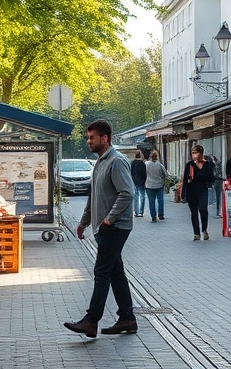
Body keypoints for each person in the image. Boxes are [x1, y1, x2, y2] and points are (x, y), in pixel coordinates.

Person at [64, 120, 137, 337]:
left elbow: (128, 193)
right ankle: (127, 318)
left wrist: (109, 219)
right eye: (88, 138)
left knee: (101, 272)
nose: (88, 142)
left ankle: (91, 320)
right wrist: (84, 221)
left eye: (92, 138)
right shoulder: (100, 162)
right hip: (104, 226)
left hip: (115, 227)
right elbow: (93, 195)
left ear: (104, 138)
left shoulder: (116, 162)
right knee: (115, 273)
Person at [184, 145, 215, 240]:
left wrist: (207, 183)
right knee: (193, 212)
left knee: (203, 209)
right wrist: (183, 193)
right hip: (191, 190)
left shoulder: (208, 164)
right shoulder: (189, 165)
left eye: (196, 153)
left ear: (201, 153)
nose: (194, 155)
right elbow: (185, 179)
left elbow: (211, 178)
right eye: (193, 153)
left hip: (202, 189)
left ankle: (204, 229)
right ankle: (196, 233)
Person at [144, 150, 168, 221]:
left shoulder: (146, 164)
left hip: (149, 185)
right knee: (160, 200)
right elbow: (166, 174)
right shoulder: (160, 165)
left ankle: (153, 216)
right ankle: (161, 215)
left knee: (151, 201)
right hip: (159, 185)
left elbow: (143, 174)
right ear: (156, 157)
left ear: (150, 157)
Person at [130, 150, 147, 218]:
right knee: (142, 196)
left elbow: (131, 173)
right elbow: (144, 174)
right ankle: (141, 212)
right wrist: (144, 182)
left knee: (135, 196)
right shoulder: (142, 163)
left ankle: (136, 212)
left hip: (134, 182)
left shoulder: (133, 163)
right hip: (141, 182)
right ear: (140, 155)